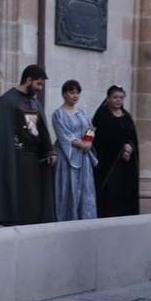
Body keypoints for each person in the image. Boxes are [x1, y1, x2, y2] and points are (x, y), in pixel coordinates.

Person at [0, 64, 56, 225]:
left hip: (34, 157)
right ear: (28, 80)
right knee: (20, 195)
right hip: (16, 157)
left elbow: (42, 128)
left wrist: (49, 150)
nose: (40, 88)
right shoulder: (8, 100)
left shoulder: (33, 102)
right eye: (38, 83)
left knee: (33, 197)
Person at [52, 79, 98, 221]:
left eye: (77, 93)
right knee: (69, 187)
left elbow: (90, 129)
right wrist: (80, 144)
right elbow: (63, 135)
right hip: (68, 158)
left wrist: (89, 142)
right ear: (64, 94)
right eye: (72, 92)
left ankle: (85, 219)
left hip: (84, 158)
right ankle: (67, 218)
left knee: (85, 189)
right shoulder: (58, 114)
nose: (75, 96)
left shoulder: (82, 113)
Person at [92, 85, 139, 217]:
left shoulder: (127, 116)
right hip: (108, 162)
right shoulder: (101, 115)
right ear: (108, 98)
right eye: (115, 97)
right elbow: (95, 135)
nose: (118, 100)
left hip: (126, 162)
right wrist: (121, 148)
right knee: (111, 192)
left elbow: (132, 136)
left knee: (125, 191)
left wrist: (130, 147)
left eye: (121, 97)